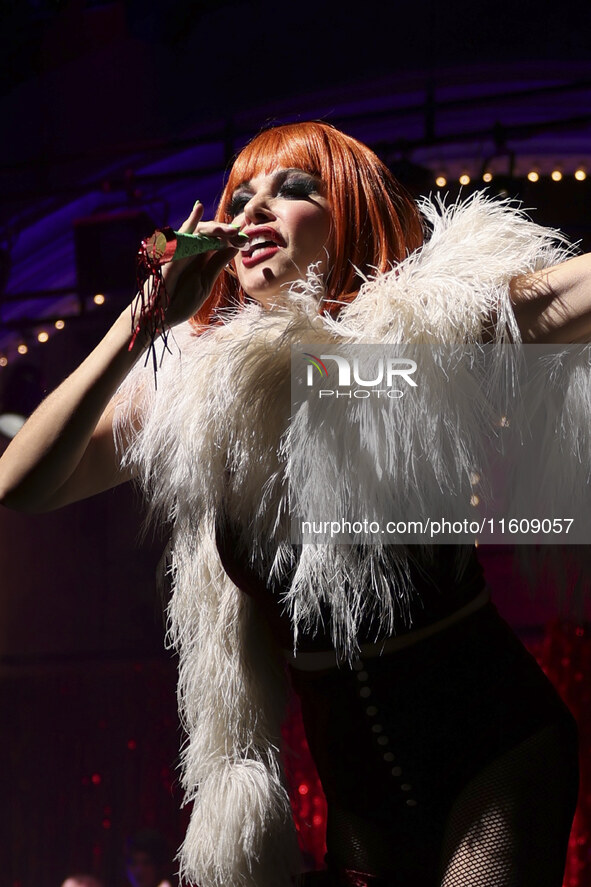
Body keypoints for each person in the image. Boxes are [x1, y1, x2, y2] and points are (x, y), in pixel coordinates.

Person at [0, 121, 587, 887]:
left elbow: (549, 304)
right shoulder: (199, 389)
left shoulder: (409, 344)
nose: (254, 211)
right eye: (239, 197)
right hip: (358, 800)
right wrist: (146, 317)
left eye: (293, 190)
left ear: (348, 213)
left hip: (496, 753)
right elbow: (22, 481)